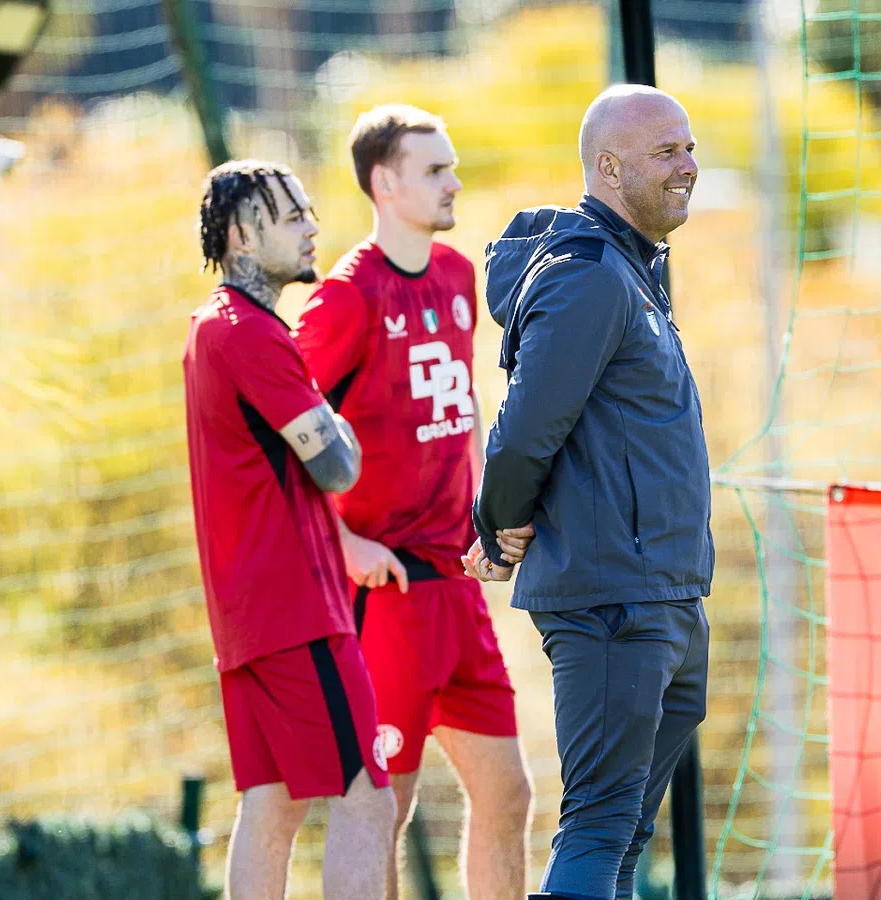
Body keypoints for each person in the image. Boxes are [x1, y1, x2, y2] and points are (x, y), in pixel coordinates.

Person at [464, 84, 713, 900]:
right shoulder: (588, 276)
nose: (688, 165)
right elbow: (526, 428)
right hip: (614, 598)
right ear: (608, 167)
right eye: (666, 151)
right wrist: (499, 526)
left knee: (624, 831)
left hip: (667, 594)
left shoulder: (637, 271)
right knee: (601, 822)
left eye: (688, 146)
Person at [292, 105, 535, 900]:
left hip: (455, 587)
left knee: (509, 791)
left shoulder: (459, 276)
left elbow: (458, 416)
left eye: (453, 166)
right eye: (435, 170)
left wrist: (486, 516)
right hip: (385, 593)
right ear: (385, 182)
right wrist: (343, 546)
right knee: (380, 808)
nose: (453, 181)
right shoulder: (345, 297)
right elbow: (279, 428)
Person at [183, 159, 397, 900]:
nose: (313, 228)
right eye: (292, 216)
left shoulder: (214, 328)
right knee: (369, 791)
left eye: (310, 211)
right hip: (296, 612)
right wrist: (340, 420)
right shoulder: (251, 335)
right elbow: (338, 468)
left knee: (272, 806)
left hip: (251, 620)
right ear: (243, 236)